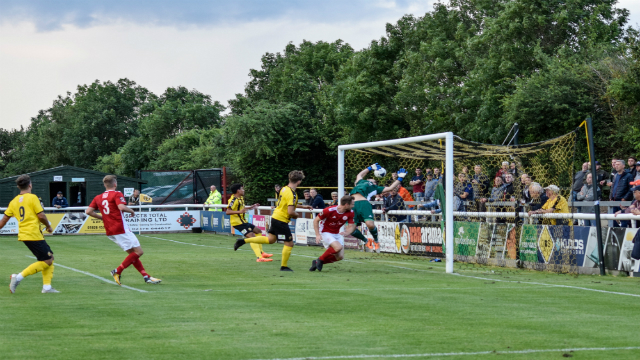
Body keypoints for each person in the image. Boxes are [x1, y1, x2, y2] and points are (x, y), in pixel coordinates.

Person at [85, 175, 162, 285]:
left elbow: (88, 211)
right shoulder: (117, 194)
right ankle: (117, 271)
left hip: (110, 230)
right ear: (115, 184)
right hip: (120, 228)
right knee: (139, 252)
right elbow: (121, 207)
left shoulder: (98, 197)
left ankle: (146, 277)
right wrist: (131, 211)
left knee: (132, 254)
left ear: (104, 185)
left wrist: (103, 217)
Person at [234, 170, 312, 271]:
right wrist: (296, 215)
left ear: (289, 179)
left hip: (275, 217)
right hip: (281, 220)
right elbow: (291, 211)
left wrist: (304, 206)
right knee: (289, 243)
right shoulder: (292, 194)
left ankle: (243, 241)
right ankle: (284, 266)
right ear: (299, 181)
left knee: (270, 240)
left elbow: (286, 204)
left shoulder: (284, 189)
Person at [2, 175, 56, 294]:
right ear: (30, 185)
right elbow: (41, 215)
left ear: (18, 187)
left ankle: (47, 288)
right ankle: (18, 277)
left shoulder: (14, 201)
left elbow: (4, 220)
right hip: (33, 234)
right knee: (47, 261)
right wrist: (48, 226)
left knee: (49, 257)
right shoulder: (32, 197)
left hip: (25, 234)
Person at [349, 164, 407, 251]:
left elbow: (391, 187)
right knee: (350, 230)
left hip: (364, 203)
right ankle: (366, 241)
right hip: (351, 205)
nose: (370, 180)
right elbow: (359, 175)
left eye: (373, 180)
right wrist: (370, 168)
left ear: (374, 183)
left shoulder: (375, 188)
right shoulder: (360, 182)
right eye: (369, 179)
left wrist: (400, 178)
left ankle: (376, 240)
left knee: (370, 225)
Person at [226, 183, 273, 262]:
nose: (243, 190)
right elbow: (228, 212)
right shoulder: (233, 200)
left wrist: (251, 207)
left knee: (258, 231)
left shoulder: (240, 198)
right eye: (242, 189)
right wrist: (239, 211)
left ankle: (262, 253)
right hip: (238, 223)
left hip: (243, 221)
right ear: (238, 190)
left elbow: (242, 208)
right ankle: (259, 257)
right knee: (252, 237)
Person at [310, 195, 357, 272]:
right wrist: (317, 235)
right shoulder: (329, 210)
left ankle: (316, 262)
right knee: (338, 247)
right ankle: (320, 259)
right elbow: (316, 220)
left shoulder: (351, 212)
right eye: (352, 204)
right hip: (325, 232)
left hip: (336, 233)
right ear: (346, 204)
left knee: (340, 257)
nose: (353, 206)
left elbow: (351, 226)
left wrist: (347, 232)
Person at [608, 159, 634, 227]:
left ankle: (623, 233)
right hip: (614, 200)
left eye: (618, 164)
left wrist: (625, 198)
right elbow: (612, 187)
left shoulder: (628, 176)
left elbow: (631, 189)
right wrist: (610, 197)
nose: (616, 166)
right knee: (611, 218)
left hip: (622, 201)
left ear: (623, 166)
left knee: (623, 219)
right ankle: (618, 231)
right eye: (615, 164)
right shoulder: (615, 175)